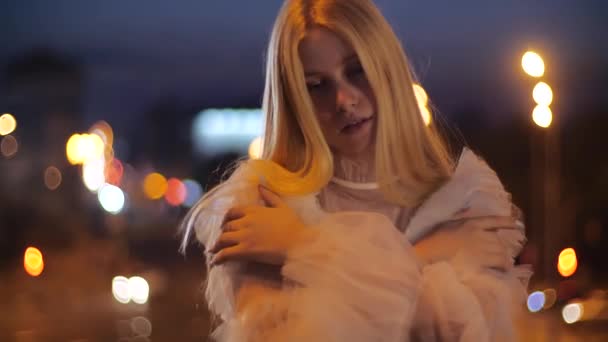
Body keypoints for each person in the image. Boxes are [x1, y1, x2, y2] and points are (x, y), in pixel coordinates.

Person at [180, 0, 532, 341]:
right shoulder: (263, 204)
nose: (344, 100)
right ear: (293, 100)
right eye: (316, 86)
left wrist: (303, 245)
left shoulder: (464, 201)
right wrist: (422, 260)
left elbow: (461, 331)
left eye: (357, 70)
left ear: (387, 66)